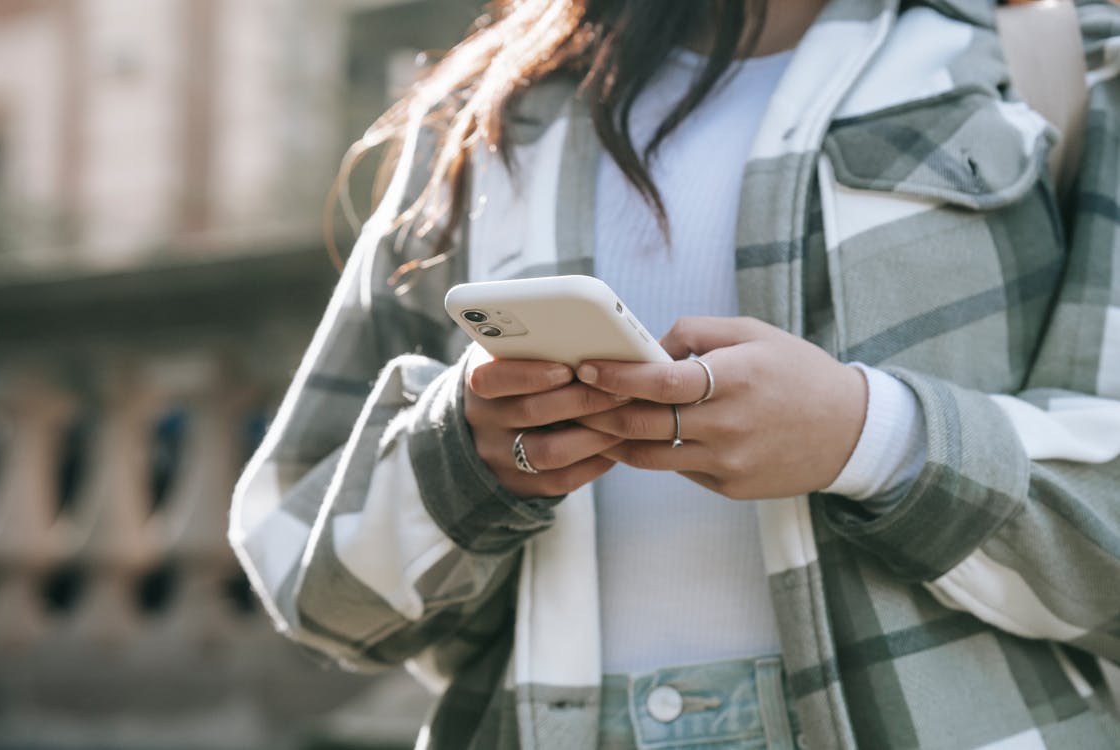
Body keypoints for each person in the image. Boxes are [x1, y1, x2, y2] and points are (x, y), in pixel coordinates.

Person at [229, 0, 1120, 747]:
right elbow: (315, 594)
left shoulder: (1062, 59)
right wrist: (465, 459)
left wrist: (870, 438)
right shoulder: (486, 115)